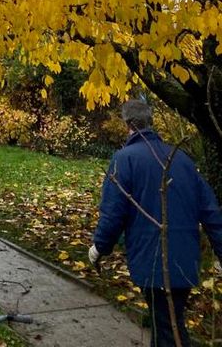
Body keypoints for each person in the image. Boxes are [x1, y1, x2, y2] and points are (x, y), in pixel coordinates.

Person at [89, 99, 222, 346]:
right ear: (151, 122)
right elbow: (211, 211)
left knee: (167, 330)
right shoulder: (180, 158)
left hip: (153, 262)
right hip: (185, 261)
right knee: (168, 322)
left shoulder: (124, 159)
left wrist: (99, 247)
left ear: (127, 123)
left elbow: (113, 212)